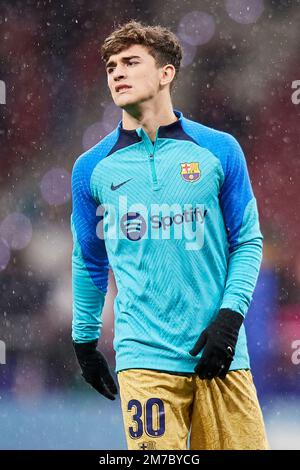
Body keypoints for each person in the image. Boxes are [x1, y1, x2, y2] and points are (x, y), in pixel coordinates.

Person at [71, 20, 269, 450]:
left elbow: (248, 241)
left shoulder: (219, 149)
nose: (117, 73)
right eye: (110, 67)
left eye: (130, 62)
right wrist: (84, 341)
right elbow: (89, 258)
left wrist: (231, 318)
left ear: (166, 73)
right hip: (144, 361)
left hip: (221, 356)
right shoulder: (92, 167)